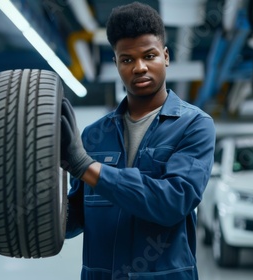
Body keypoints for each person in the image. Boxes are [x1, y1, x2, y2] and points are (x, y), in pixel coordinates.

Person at [60, 2, 216, 279]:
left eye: (149, 55)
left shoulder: (194, 125)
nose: (139, 68)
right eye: (127, 59)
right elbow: (77, 218)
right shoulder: (94, 136)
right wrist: (36, 200)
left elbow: (173, 202)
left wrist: (86, 167)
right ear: (117, 64)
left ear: (166, 56)